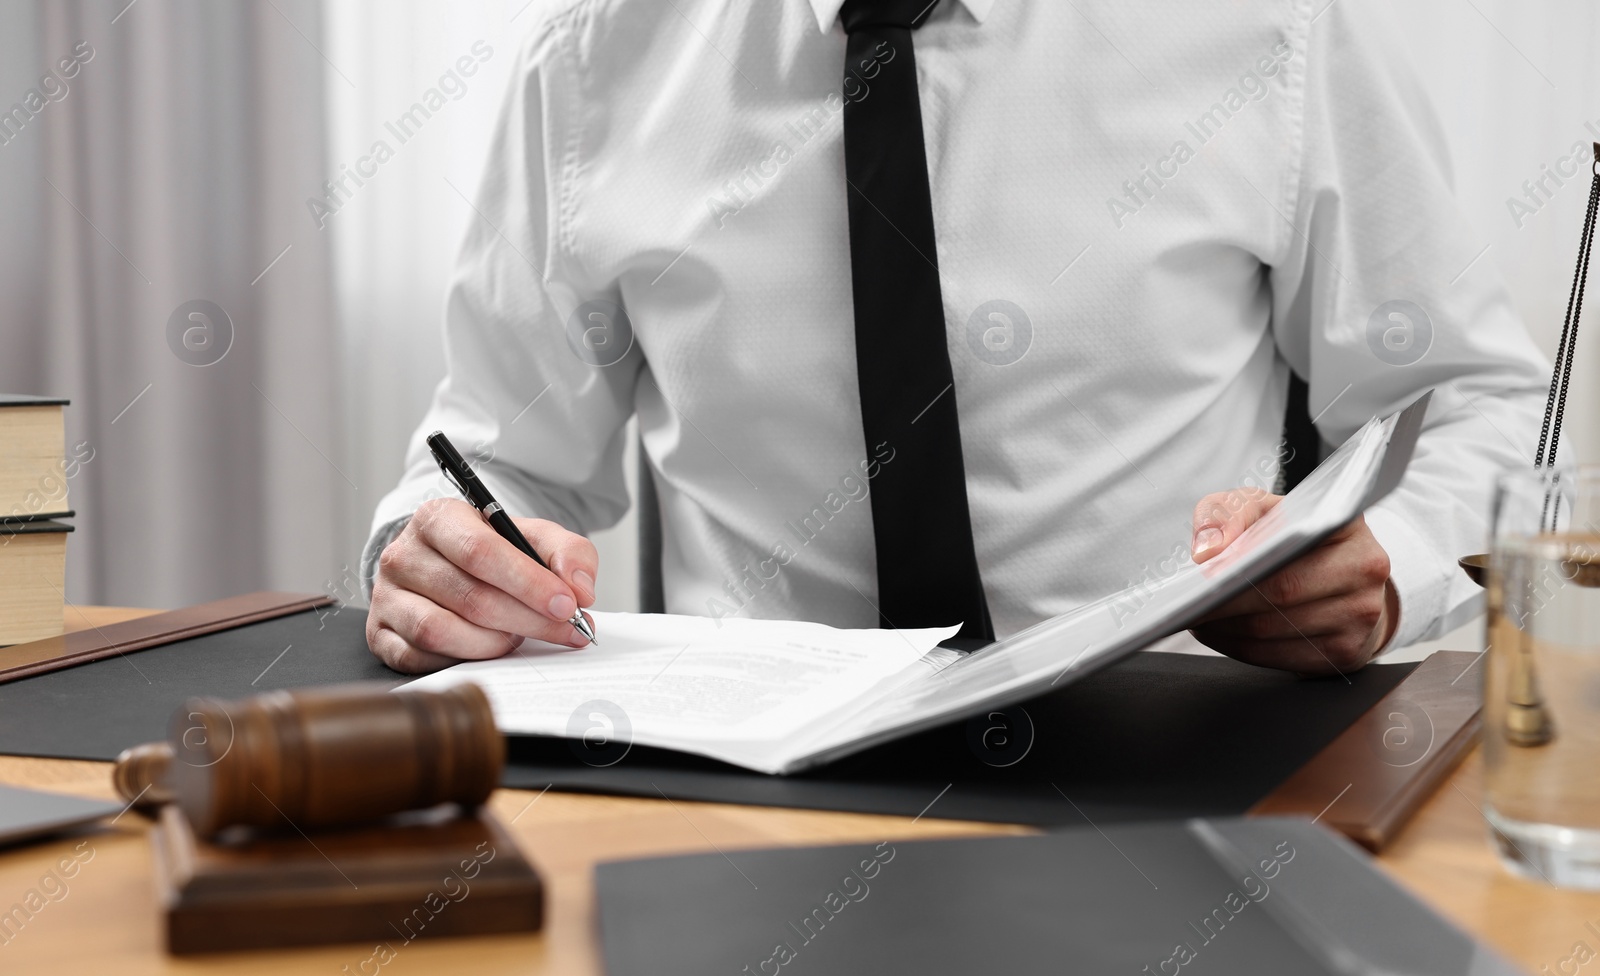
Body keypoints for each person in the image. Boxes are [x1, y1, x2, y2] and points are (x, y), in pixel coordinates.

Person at [363, 0, 1548, 677]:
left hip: (1183, 768)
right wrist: (432, 558)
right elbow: (493, 461)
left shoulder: (1267, 29)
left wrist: (1391, 564)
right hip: (751, 809)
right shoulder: (594, 65)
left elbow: (1463, 395)